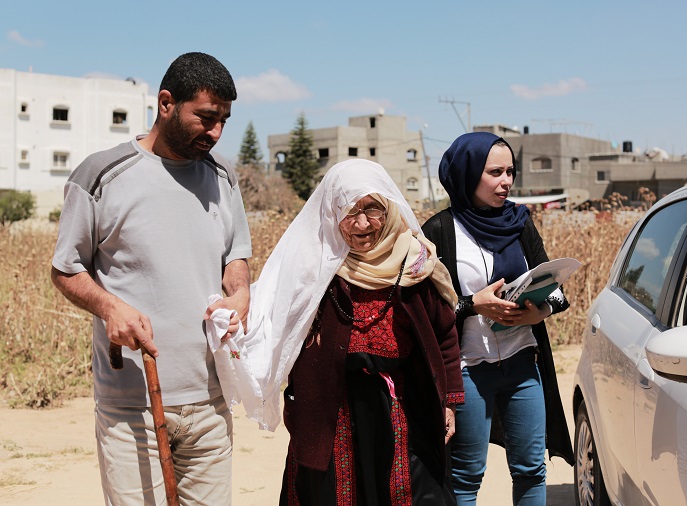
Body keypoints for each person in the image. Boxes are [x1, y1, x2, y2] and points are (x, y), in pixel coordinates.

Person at [50, 52, 252, 505]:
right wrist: (109, 306)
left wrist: (240, 294)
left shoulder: (223, 178)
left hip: (211, 400)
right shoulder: (100, 174)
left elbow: (235, 256)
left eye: (224, 121)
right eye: (206, 117)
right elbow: (65, 268)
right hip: (131, 405)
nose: (216, 132)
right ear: (166, 103)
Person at [245, 158, 463, 505]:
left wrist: (449, 401)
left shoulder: (415, 264)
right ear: (332, 215)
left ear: (389, 210)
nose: (362, 223)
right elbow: (267, 316)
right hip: (330, 405)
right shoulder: (314, 266)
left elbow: (445, 335)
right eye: (348, 212)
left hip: (403, 404)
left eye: (373, 209)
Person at [421, 132, 574, 505]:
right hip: (468, 370)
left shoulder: (520, 222)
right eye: (495, 172)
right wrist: (474, 304)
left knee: (531, 469)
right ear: (467, 173)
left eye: (510, 172)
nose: (506, 181)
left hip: (523, 364)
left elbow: (553, 287)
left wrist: (541, 309)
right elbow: (424, 310)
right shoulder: (439, 231)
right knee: (466, 475)